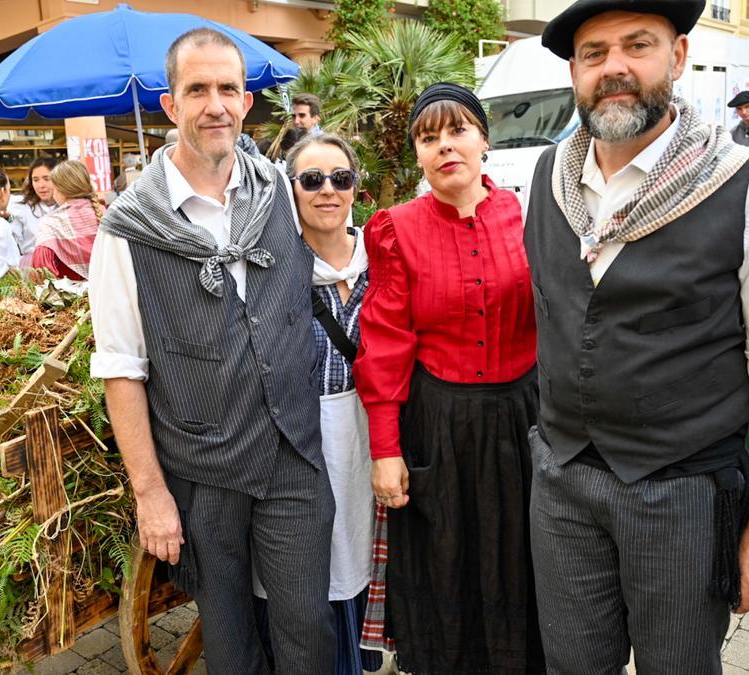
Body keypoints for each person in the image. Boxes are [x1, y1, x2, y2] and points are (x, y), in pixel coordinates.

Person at [527, 1, 749, 671]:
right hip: (562, 480)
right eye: (594, 53)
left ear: (679, 57)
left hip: (682, 492)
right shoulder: (549, 177)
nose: (615, 68)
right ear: (574, 72)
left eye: (638, 46)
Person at [89, 27, 335, 674]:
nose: (216, 105)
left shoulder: (279, 190)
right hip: (202, 471)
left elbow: (333, 258)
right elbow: (121, 369)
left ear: (247, 102)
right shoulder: (126, 229)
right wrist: (150, 493)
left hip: (292, 452)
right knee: (229, 646)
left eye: (228, 88)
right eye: (197, 90)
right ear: (171, 105)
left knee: (308, 631)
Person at [353, 82, 542, 674]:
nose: (445, 147)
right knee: (446, 570)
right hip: (438, 427)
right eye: (428, 138)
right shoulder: (396, 229)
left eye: (458, 131)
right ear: (417, 154)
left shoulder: (529, 216)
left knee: (527, 563)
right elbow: (384, 346)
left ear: (484, 139)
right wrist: (385, 451)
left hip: (525, 421)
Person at [258, 133, 381, 675]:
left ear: (355, 187)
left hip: (371, 437)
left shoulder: (384, 259)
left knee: (361, 550)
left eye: (340, 177)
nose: (327, 190)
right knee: (317, 562)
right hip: (304, 440)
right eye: (312, 180)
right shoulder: (272, 269)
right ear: (292, 190)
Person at [30, 160, 100, 280]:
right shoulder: (104, 213)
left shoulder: (50, 223)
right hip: (109, 289)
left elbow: (43, 275)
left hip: (69, 291)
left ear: (59, 190)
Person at [7, 156, 59, 262]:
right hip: (31, 264)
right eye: (35, 180)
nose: (41, 185)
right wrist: (8, 219)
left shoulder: (68, 206)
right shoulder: (21, 206)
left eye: (46, 179)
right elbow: (11, 237)